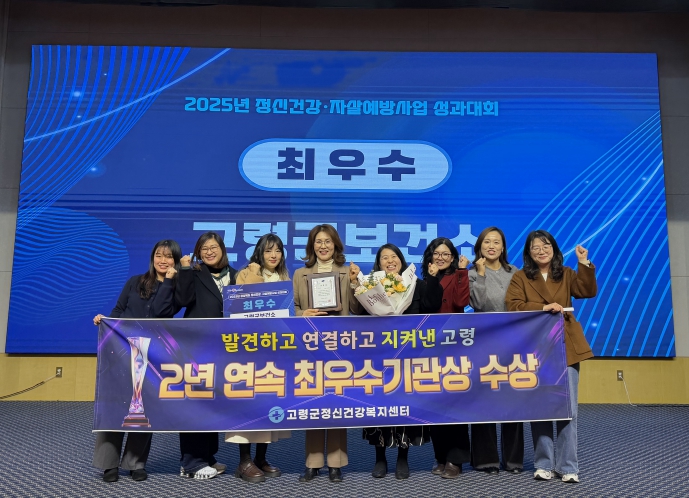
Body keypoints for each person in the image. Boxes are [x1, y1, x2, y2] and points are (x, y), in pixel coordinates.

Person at [505, 229, 596, 484]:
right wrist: (543, 307)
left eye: (546, 246)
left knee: (569, 409)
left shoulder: (566, 273)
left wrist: (583, 263)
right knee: (542, 407)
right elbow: (513, 305)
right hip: (536, 348)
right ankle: (543, 463)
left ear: (554, 249)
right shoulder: (521, 277)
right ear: (528, 252)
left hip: (566, 345)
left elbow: (587, 291)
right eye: (536, 247)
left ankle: (568, 466)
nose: (541, 251)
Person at [92, 239, 181, 482]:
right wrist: (105, 322)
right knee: (115, 405)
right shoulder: (135, 281)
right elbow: (119, 310)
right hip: (122, 351)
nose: (163, 260)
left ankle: (135, 462)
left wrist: (169, 281)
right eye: (159, 255)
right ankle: (109, 464)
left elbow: (161, 312)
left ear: (176, 261)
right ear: (152, 258)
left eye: (169, 256)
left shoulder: (177, 288)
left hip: (153, 354)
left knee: (143, 406)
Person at [363, 243, 443, 480]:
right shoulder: (371, 287)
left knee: (405, 407)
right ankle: (379, 457)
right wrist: (356, 284)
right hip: (379, 357)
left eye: (394, 256)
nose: (390, 261)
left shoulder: (415, 284)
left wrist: (432, 278)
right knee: (379, 407)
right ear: (379, 263)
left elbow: (432, 306)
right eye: (384, 257)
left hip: (409, 357)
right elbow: (360, 314)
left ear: (401, 259)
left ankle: (402, 457)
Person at [293, 224, 363, 483]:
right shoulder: (300, 273)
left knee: (336, 403)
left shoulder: (347, 271)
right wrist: (303, 314)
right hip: (310, 346)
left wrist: (355, 283)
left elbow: (357, 309)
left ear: (336, 245)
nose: (323, 246)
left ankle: (336, 463)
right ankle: (312, 463)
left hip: (339, 344)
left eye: (328, 241)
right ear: (312, 246)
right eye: (318, 242)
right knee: (313, 404)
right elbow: (293, 308)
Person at [224, 233, 291, 483]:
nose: (273, 255)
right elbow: (239, 304)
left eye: (278, 251)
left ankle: (261, 458)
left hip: (274, 351)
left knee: (268, 404)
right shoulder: (245, 273)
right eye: (268, 250)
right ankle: (244, 462)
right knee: (247, 404)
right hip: (247, 351)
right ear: (259, 253)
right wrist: (255, 273)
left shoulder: (284, 278)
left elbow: (288, 313)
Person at [175, 231, 236, 479]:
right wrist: (185, 270)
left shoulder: (236, 275)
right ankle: (191, 462)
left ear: (222, 249)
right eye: (204, 248)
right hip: (197, 347)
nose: (209, 252)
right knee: (195, 402)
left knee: (213, 403)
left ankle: (208, 456)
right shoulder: (193, 273)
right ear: (198, 252)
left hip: (225, 349)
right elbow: (182, 300)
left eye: (214, 247)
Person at [467, 227, 523, 475]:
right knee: (484, 401)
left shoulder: (515, 272)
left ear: (503, 247)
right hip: (484, 342)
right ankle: (485, 460)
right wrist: (480, 275)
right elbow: (478, 304)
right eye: (487, 242)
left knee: (514, 400)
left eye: (496, 242)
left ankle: (513, 460)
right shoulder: (471, 273)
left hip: (513, 342)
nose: (491, 246)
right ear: (479, 246)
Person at [421, 237, 471, 479]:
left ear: (452, 257)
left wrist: (462, 271)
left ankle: (455, 459)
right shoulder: (424, 278)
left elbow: (461, 301)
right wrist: (431, 279)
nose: (441, 257)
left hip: (453, 347)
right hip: (430, 347)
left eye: (446, 254)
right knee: (434, 405)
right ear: (430, 256)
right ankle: (440, 456)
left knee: (454, 404)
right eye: (437, 253)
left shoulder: (458, 275)